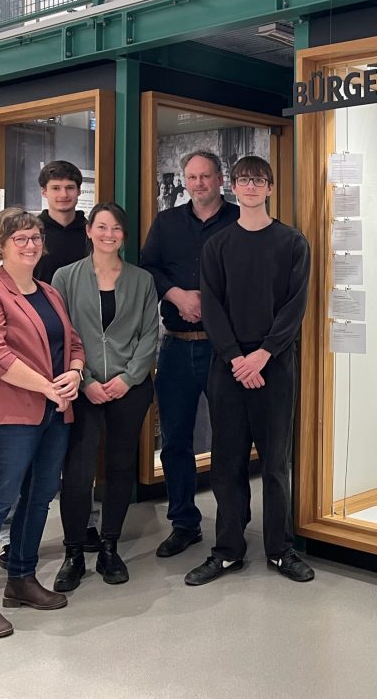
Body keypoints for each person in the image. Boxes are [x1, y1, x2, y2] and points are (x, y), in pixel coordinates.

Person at [184, 156, 312, 586]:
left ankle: (280, 549)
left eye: (259, 181)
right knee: (227, 462)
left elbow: (295, 306)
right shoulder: (217, 245)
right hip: (229, 368)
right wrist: (237, 358)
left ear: (270, 188)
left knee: (275, 463)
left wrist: (264, 354)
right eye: (244, 180)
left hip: (275, 367)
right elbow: (212, 306)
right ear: (233, 187)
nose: (251, 187)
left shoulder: (292, 242)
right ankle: (227, 551)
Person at [0, 208, 85, 639]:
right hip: (5, 415)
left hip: (54, 413)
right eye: (20, 239)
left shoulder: (49, 292)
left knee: (38, 498)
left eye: (35, 237)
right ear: (0, 245)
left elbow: (74, 342)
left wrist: (75, 373)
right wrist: (48, 387)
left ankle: (21, 578)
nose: (31, 245)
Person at [52, 203, 158, 590]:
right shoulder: (65, 277)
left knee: (120, 467)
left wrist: (128, 378)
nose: (108, 234)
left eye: (115, 228)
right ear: (89, 231)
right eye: (101, 227)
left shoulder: (142, 280)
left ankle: (110, 547)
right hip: (81, 388)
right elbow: (62, 333)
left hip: (130, 390)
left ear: (124, 235)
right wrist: (86, 381)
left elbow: (149, 334)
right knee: (78, 472)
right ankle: (73, 553)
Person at [0, 160, 98, 565]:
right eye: (56, 187)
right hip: (31, 351)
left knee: (78, 449)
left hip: (77, 350)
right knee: (25, 451)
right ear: (44, 192)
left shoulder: (91, 232)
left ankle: (81, 522)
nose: (63, 194)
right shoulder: (31, 231)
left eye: (70, 187)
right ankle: (14, 536)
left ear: (78, 191)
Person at [140, 150, 239, 557]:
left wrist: (210, 303)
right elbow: (148, 268)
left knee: (230, 440)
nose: (199, 183)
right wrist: (176, 295)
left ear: (220, 179)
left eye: (206, 176)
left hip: (224, 350)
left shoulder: (239, 221)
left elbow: (250, 278)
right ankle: (184, 523)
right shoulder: (166, 223)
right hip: (177, 347)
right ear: (185, 181)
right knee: (176, 440)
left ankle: (232, 527)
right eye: (192, 177)